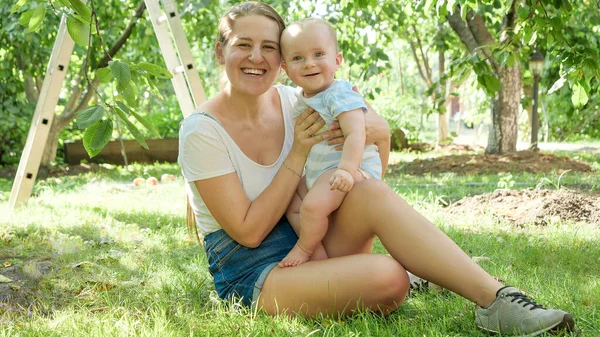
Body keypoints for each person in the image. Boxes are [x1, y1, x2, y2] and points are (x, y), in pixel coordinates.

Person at [178, 2, 575, 336]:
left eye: (269, 47)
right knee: (389, 278)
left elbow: (375, 146)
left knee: (365, 188)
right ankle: (415, 269)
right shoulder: (202, 130)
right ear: (220, 51)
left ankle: (499, 301)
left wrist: (375, 135)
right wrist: (297, 153)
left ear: (282, 61)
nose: (256, 57)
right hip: (253, 270)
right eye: (243, 45)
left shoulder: (298, 98)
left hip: (310, 236)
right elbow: (247, 232)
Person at [278, 18, 383, 267]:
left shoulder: (338, 94)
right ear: (285, 68)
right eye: (298, 58)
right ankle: (320, 257)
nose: (309, 63)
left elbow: (357, 133)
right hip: (323, 171)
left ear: (337, 60)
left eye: (318, 54)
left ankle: (304, 248)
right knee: (291, 201)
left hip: (351, 167)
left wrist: (347, 170)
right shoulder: (304, 96)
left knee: (313, 207)